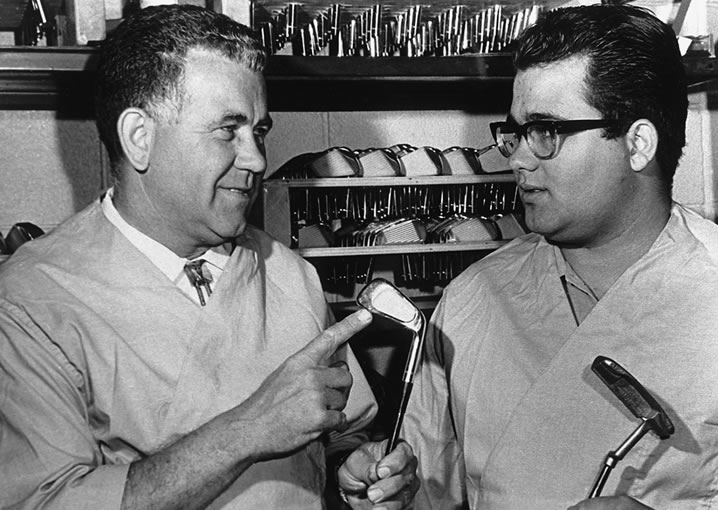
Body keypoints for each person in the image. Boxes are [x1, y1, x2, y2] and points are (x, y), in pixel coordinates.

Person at [0, 5, 418, 509]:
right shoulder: (32, 301)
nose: (257, 159)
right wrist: (248, 430)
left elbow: (340, 436)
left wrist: (355, 472)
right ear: (140, 138)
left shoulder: (289, 276)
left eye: (259, 132)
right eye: (228, 131)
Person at [402, 4, 718, 509]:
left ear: (637, 144)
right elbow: (423, 485)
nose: (518, 157)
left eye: (546, 131)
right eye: (516, 131)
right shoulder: (473, 300)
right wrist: (383, 488)